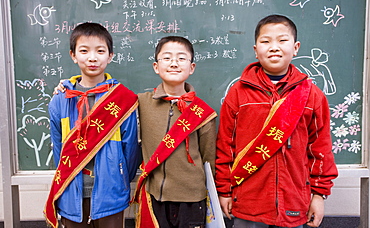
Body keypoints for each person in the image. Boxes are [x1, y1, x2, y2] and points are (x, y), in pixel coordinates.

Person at [215, 14, 338, 228]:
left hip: (294, 201)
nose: (274, 47)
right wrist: (224, 191)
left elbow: (320, 148)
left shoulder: (312, 95)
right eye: (265, 41)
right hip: (247, 202)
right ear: (255, 50)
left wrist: (319, 196)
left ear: (296, 47)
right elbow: (225, 145)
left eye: (282, 40)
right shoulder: (238, 93)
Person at [44, 22, 140, 228]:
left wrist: (120, 178)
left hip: (110, 194)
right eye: (84, 51)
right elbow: (59, 148)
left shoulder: (122, 99)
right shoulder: (61, 99)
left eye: (100, 51)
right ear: (73, 55)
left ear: (110, 56)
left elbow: (131, 149)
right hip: (72, 193)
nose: (93, 57)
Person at [132, 36, 218, 228]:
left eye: (181, 58)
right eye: (167, 58)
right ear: (156, 66)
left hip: (191, 199)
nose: (174, 63)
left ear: (192, 67)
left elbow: (208, 160)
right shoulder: (141, 102)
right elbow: (109, 100)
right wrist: (66, 87)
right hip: (154, 196)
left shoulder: (203, 113)